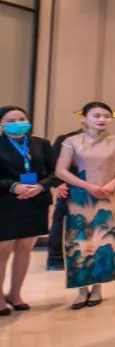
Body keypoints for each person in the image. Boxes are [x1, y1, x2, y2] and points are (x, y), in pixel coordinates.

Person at [53, 102, 115, 309]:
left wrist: (111, 184)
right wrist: (87, 186)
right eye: (96, 115)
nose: (102, 119)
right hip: (80, 197)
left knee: (105, 242)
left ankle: (98, 288)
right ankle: (81, 290)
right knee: (80, 242)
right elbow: (61, 171)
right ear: (84, 118)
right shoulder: (72, 141)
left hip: (109, 196)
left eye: (106, 116)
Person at [0, 105, 58, 315]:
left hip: (35, 201)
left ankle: (15, 294)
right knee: (3, 250)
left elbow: (56, 172)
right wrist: (13, 186)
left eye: (21, 119)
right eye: (11, 120)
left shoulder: (41, 144)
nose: (18, 123)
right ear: (1, 124)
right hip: (6, 202)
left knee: (25, 248)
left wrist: (41, 186)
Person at [45, 127, 78, 271]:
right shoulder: (66, 138)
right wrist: (58, 184)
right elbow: (52, 165)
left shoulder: (107, 141)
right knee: (60, 222)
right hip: (68, 188)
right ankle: (55, 258)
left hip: (94, 189)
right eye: (96, 116)